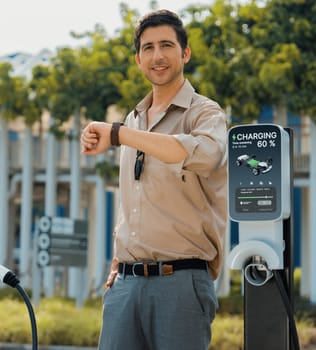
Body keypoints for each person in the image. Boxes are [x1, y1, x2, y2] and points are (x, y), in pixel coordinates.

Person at [80, 9, 228, 350]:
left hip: (181, 283)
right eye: (148, 48)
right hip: (125, 286)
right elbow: (135, 199)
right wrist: (119, 259)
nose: (157, 56)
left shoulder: (204, 113)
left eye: (166, 45)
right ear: (138, 59)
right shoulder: (134, 120)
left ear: (185, 53)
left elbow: (205, 156)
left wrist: (119, 134)